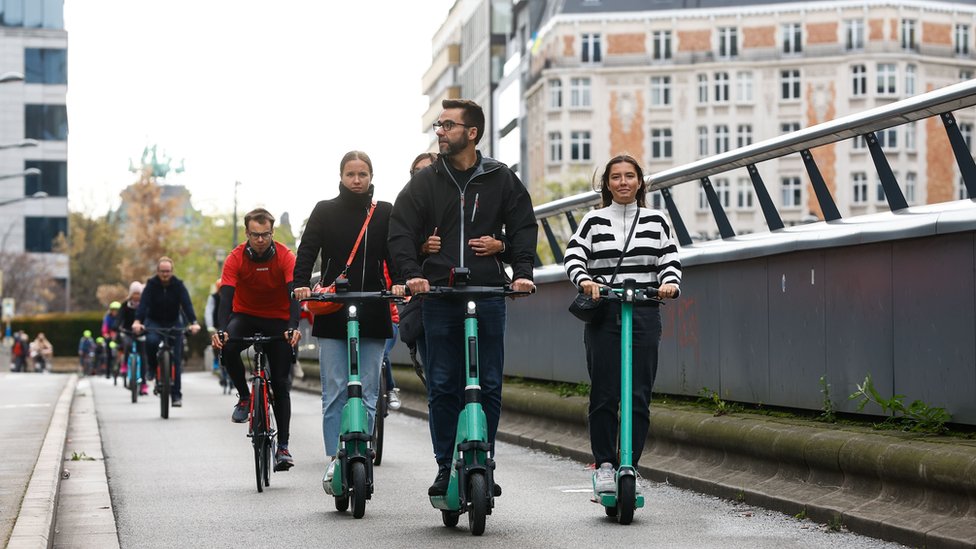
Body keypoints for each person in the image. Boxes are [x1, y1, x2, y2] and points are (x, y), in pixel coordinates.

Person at [388, 99, 538, 497]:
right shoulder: (425, 181)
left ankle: (483, 459)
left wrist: (521, 271)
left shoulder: (500, 178)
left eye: (448, 125)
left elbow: (523, 226)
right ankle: (444, 465)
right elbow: (400, 230)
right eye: (438, 125)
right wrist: (413, 273)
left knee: (489, 384)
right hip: (439, 295)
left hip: (487, 293)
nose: (440, 132)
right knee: (442, 384)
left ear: (471, 133)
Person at [562, 154, 682, 494]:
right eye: (616, 177)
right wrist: (585, 280)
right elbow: (573, 255)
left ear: (640, 182)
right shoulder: (594, 220)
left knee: (639, 394)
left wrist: (669, 283)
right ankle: (604, 464)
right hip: (606, 310)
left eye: (630, 176)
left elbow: (669, 257)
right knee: (604, 392)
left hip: (644, 309)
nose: (623, 182)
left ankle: (630, 464)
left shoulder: (656, 220)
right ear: (607, 184)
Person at [293, 150, 394, 493]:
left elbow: (395, 253)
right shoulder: (324, 210)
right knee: (335, 389)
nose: (356, 180)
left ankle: (362, 448)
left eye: (362, 174)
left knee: (368, 390)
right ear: (340, 177)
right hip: (334, 308)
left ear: (371, 176)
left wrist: (401, 281)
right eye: (350, 174)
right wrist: (301, 284)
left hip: (374, 306)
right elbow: (307, 250)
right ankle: (336, 457)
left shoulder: (384, 212)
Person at [212, 208, 302, 471]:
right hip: (245, 315)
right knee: (228, 347)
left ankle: (283, 447)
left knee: (281, 384)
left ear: (272, 233)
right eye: (255, 235)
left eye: (265, 234)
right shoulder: (235, 258)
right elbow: (226, 298)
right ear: (246, 234)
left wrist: (293, 327)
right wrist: (221, 329)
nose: (260, 240)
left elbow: (294, 294)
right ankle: (244, 396)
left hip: (278, 319)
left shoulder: (286, 256)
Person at [132, 257, 201, 408]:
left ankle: (176, 395)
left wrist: (194, 322)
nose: (165, 274)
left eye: (168, 271)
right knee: (151, 341)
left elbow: (187, 304)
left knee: (176, 358)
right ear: (157, 271)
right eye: (162, 271)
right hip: (154, 321)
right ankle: (152, 367)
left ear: (172, 271)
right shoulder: (151, 285)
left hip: (173, 322)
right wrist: (137, 321)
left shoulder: (178, 285)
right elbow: (143, 305)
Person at [116, 281, 147, 393]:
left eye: (138, 294)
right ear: (131, 294)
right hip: (127, 332)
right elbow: (119, 318)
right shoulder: (125, 305)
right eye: (135, 293)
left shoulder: (145, 305)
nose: (136, 296)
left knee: (143, 356)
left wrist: (146, 327)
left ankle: (143, 383)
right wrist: (117, 326)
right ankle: (124, 365)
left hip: (141, 333)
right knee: (127, 345)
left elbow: (148, 318)